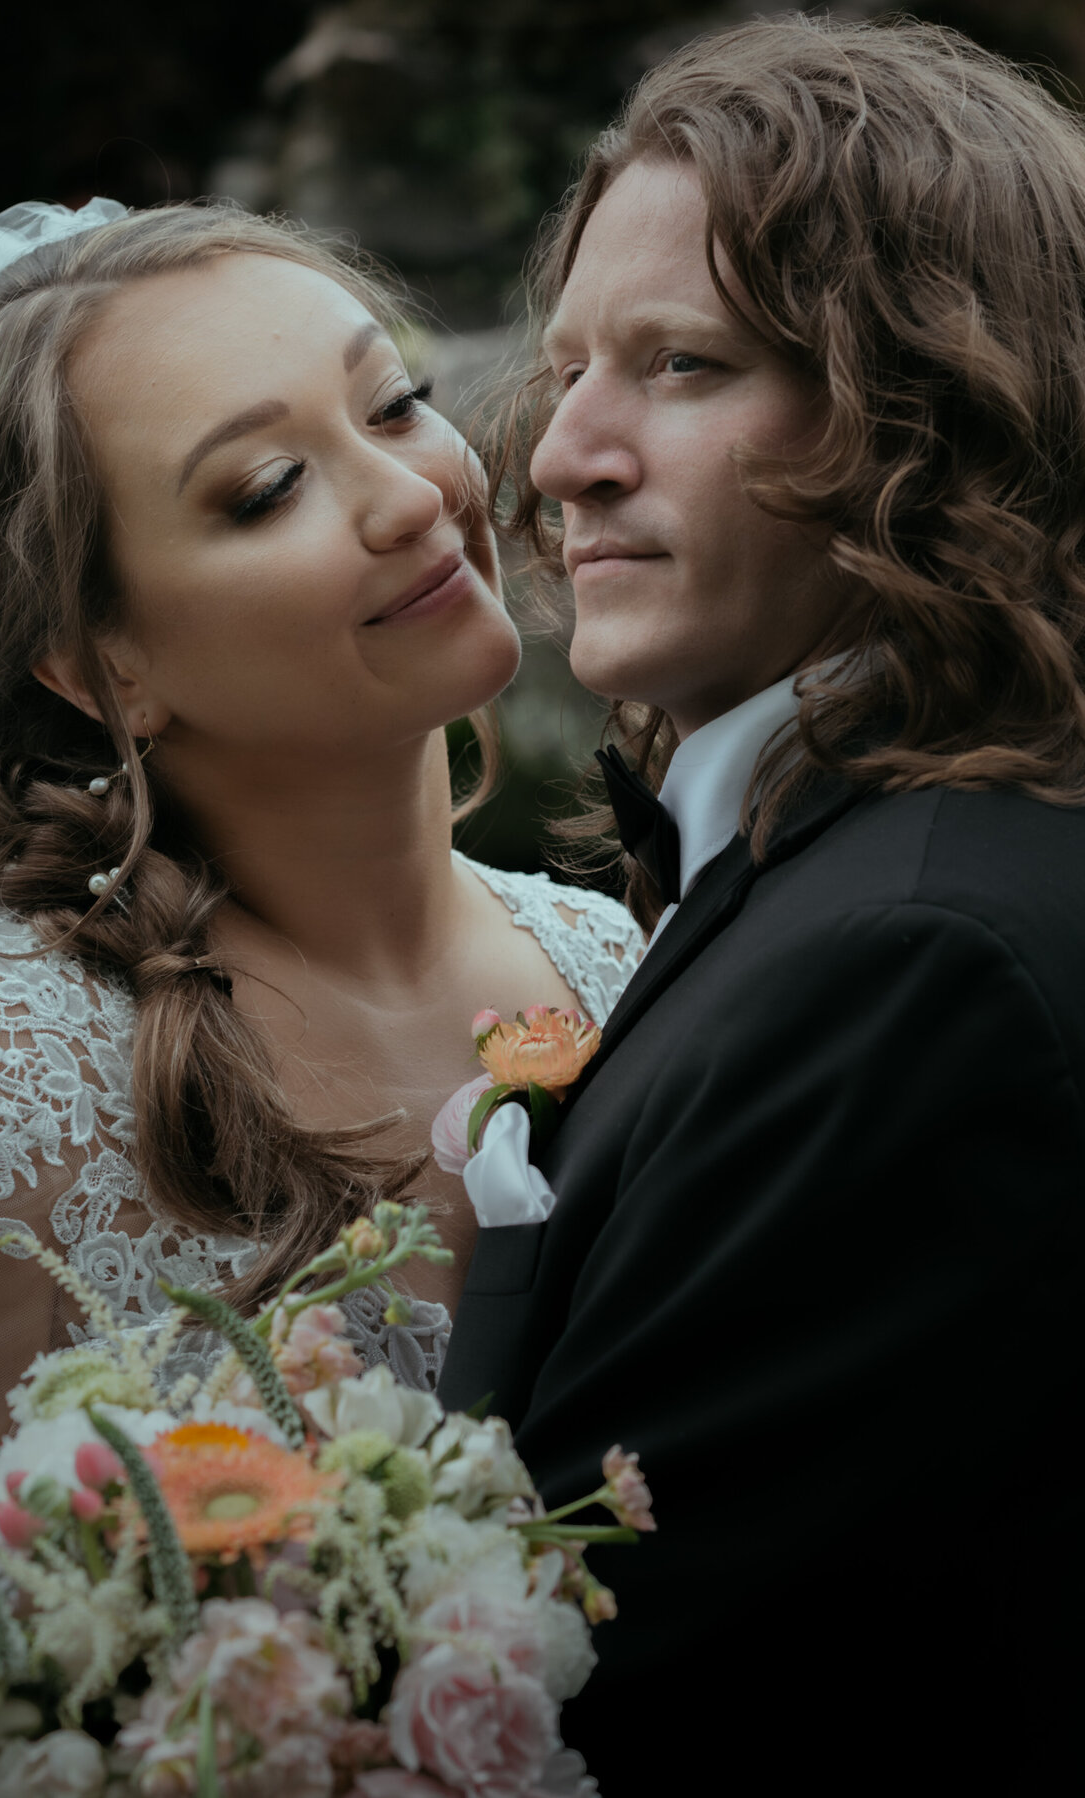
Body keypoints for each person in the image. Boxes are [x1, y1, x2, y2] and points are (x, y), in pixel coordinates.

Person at [439, 15, 1085, 1790]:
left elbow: (642, 1704)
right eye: (569, 369)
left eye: (683, 365)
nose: (562, 455)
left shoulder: (914, 963)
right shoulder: (835, 869)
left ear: (935, 409)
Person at [0, 200, 644, 1456]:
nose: (412, 496)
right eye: (269, 486)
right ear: (99, 667)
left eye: (395, 404)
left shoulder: (616, 955)